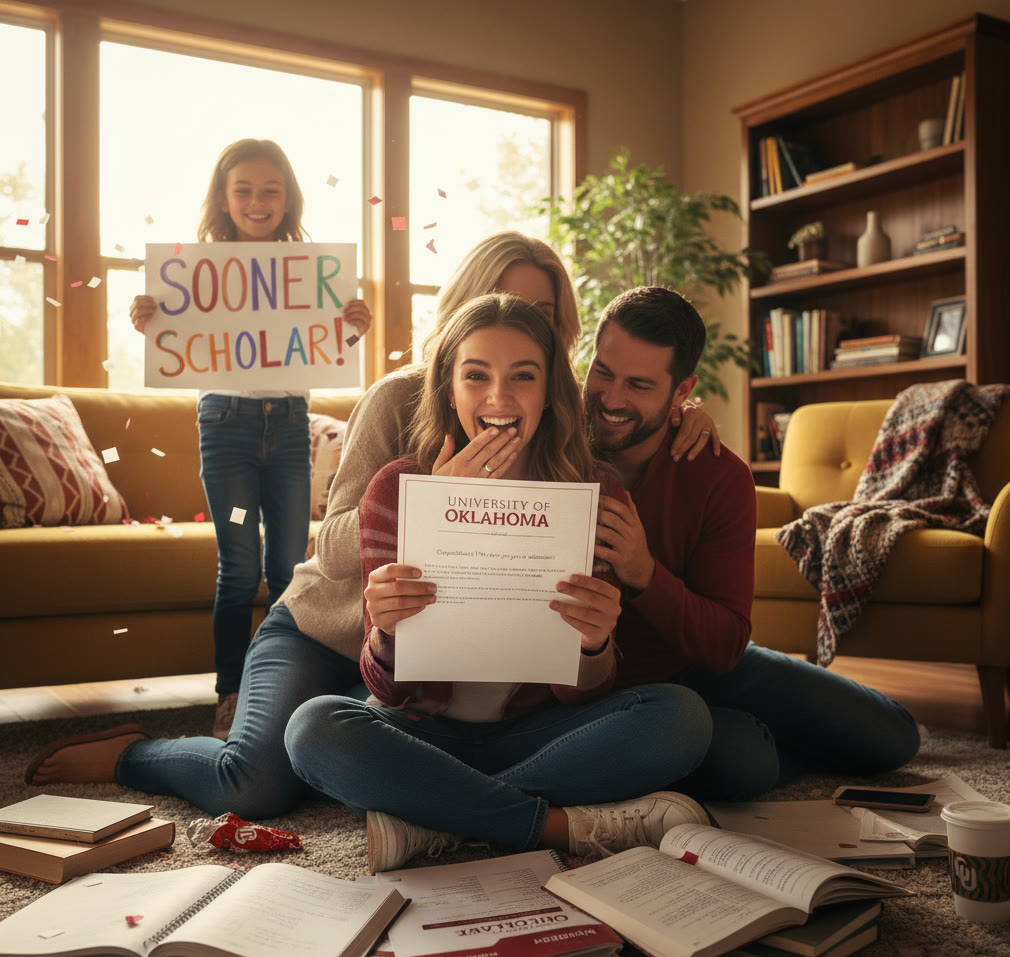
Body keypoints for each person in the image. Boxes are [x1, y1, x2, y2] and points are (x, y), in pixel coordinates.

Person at [25, 235, 714, 824]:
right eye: (479, 366)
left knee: (680, 719)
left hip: (473, 692)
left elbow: (640, 408)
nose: (503, 380)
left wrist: (690, 411)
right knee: (265, 774)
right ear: (457, 345)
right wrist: (438, 510)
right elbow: (340, 556)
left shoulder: (577, 462)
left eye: (542, 318)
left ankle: (429, 803)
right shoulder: (400, 415)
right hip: (333, 630)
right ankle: (136, 752)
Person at [283, 293, 712, 873]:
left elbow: (591, 690)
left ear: (550, 388)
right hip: (422, 729)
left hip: (541, 733)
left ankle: (432, 816)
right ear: (449, 386)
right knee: (313, 729)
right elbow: (385, 689)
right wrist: (384, 632)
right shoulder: (397, 488)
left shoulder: (597, 492)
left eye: (523, 377)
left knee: (681, 717)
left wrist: (593, 644)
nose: (499, 399)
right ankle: (548, 824)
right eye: (476, 375)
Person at [584, 287, 921, 800]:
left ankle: (758, 731)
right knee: (743, 765)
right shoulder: (552, 446)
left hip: (694, 659)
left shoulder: (719, 475)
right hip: (599, 690)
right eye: (603, 372)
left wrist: (645, 575)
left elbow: (724, 645)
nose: (611, 399)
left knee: (894, 737)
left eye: (639, 385)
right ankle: (752, 740)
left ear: (682, 392)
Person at [128, 139, 373, 739]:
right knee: (238, 568)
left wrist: (352, 330)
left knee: (290, 568)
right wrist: (149, 317)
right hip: (227, 432)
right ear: (222, 196)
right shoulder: (193, 270)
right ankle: (232, 694)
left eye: (271, 189)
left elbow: (320, 350)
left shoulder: (312, 271)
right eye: (243, 189)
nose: (257, 201)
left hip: (288, 430)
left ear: (288, 199)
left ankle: (282, 689)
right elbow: (177, 338)